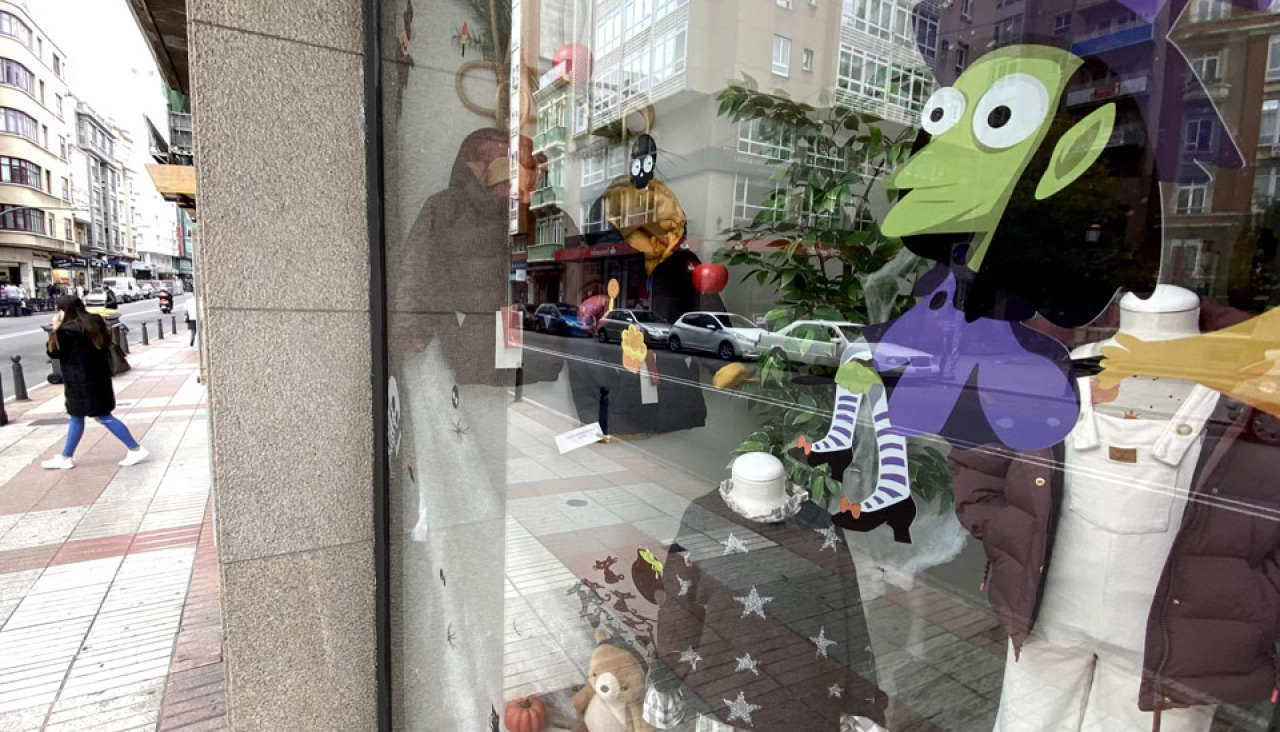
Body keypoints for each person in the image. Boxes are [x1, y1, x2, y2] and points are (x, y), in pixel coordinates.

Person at [41, 296, 147, 470]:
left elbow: (53, 353)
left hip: (80, 383)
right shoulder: (95, 323)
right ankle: (66, 456)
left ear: (63, 311)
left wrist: (55, 328)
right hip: (98, 379)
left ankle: (135, 448)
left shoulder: (66, 331)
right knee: (78, 416)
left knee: (101, 416)